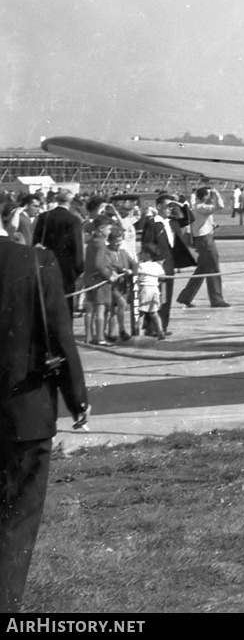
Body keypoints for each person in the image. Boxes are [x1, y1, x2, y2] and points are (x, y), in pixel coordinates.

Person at [1, 237, 90, 612]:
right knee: (18, 517)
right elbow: (59, 332)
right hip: (25, 409)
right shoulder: (35, 260)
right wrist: (77, 399)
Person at [138, 194, 197, 333]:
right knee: (154, 296)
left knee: (166, 297)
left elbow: (190, 218)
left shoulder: (172, 222)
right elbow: (147, 244)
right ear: (159, 207)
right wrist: (152, 261)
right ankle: (151, 327)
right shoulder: (152, 223)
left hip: (169, 263)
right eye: (167, 206)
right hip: (157, 264)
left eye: (172, 207)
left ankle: (162, 326)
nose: (170, 210)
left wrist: (180, 204)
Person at [175, 187, 228, 308]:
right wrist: (216, 193)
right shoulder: (201, 207)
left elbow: (195, 196)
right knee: (213, 268)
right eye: (208, 195)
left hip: (202, 238)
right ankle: (216, 299)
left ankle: (185, 297)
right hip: (205, 239)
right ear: (204, 197)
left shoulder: (196, 204)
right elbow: (220, 206)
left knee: (202, 269)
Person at [31, 190, 84, 308]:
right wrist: (79, 268)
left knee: (48, 302)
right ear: (70, 201)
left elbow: (34, 242)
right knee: (66, 304)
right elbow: (77, 246)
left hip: (46, 264)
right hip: (67, 267)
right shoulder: (73, 220)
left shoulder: (44, 217)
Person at [135, 247, 167, 339]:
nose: (139, 254)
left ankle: (138, 332)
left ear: (147, 255)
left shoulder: (142, 266)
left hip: (145, 289)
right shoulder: (157, 265)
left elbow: (139, 278)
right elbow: (163, 277)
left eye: (142, 253)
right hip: (155, 289)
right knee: (154, 312)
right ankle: (160, 331)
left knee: (141, 312)